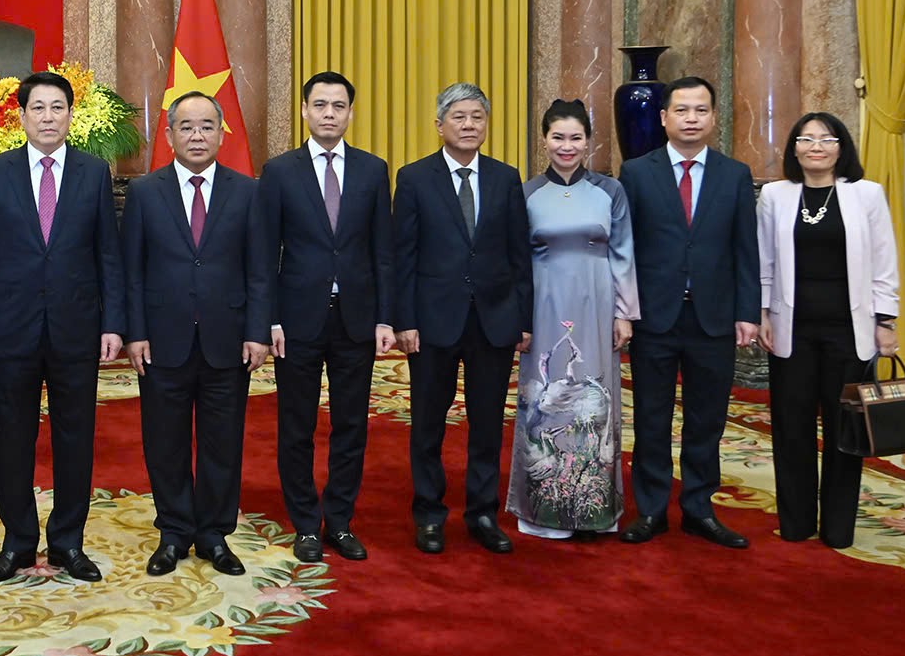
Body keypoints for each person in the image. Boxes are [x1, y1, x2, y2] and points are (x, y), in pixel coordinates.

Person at [0, 70, 125, 584]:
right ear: (21, 116)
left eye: (58, 107)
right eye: (38, 108)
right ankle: (17, 542)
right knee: (14, 437)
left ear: (71, 116)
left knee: (75, 437)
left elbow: (108, 254)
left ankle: (67, 542)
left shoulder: (93, 172)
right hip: (13, 327)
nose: (48, 117)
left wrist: (113, 323)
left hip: (77, 326)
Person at [123, 92, 271, 576]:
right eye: (186, 127)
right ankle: (173, 532)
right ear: (169, 135)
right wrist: (135, 332)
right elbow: (132, 271)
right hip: (161, 339)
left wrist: (257, 331)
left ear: (221, 134)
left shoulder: (246, 191)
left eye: (207, 126)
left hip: (228, 338)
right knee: (164, 442)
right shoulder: (145, 192)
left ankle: (213, 534)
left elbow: (259, 270)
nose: (197, 136)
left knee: (221, 442)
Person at [618, 76, 759, 549]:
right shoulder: (637, 172)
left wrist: (748, 311)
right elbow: (625, 249)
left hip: (712, 317)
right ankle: (651, 509)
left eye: (701, 110)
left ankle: (699, 508)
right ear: (664, 118)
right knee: (651, 418)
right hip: (654, 317)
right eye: (682, 110)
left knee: (707, 420)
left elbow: (746, 249)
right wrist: (624, 309)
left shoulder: (734, 174)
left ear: (714, 117)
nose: (691, 119)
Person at [259, 71, 394, 565]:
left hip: (356, 318)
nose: (329, 114)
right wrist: (270, 319)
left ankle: (339, 520)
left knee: (351, 424)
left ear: (351, 113)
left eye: (339, 106)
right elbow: (264, 253)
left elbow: (383, 251)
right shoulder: (279, 171)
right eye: (320, 105)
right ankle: (305, 523)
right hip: (296, 320)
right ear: (304, 111)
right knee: (296, 425)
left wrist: (385, 318)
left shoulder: (373, 170)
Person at [393, 83, 533, 555]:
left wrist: (523, 318)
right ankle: (429, 515)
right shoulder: (414, 178)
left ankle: (483, 514)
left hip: (493, 320)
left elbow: (519, 255)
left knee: (487, 423)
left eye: (477, 117)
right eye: (459, 117)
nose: (469, 125)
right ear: (439, 125)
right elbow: (403, 255)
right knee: (428, 423)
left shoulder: (505, 178)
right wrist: (404, 320)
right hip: (433, 321)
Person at [758, 112, 899, 549]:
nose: (816, 146)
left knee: (844, 430)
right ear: (794, 148)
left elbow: (884, 261)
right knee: (791, 426)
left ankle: (838, 526)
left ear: (841, 148)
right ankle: (797, 522)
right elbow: (764, 261)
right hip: (791, 328)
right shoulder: (775, 195)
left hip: (849, 330)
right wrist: (761, 312)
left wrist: (886, 321)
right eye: (806, 139)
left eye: (826, 139)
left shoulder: (866, 194)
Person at [506, 100, 639, 540]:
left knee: (596, 398)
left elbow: (623, 253)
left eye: (575, 138)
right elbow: (515, 259)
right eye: (558, 137)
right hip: (543, 303)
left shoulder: (610, 191)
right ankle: (542, 508)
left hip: (596, 303)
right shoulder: (527, 192)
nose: (567, 146)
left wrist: (624, 313)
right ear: (544, 139)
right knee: (543, 400)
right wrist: (518, 316)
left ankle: (595, 509)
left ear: (588, 141)